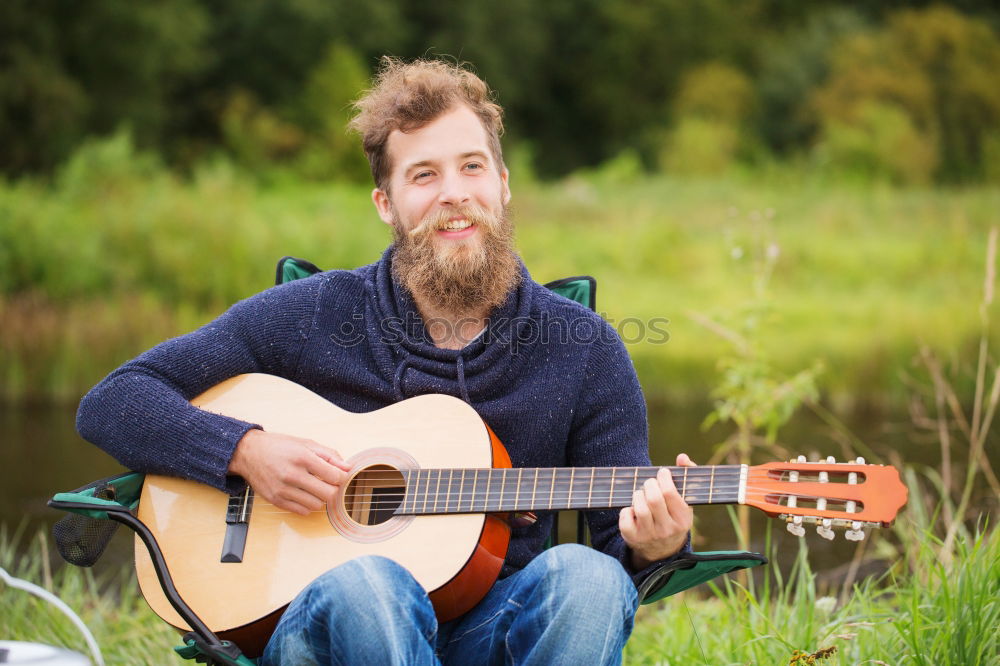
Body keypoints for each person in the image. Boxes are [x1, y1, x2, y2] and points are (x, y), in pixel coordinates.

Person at [76, 57, 695, 665]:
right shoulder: (311, 314)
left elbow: (621, 543)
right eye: (423, 175)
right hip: (329, 630)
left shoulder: (582, 348)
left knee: (588, 576)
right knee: (367, 581)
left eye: (472, 167)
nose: (455, 194)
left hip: (496, 635)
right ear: (386, 202)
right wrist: (245, 451)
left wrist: (655, 546)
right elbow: (114, 400)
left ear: (503, 184)